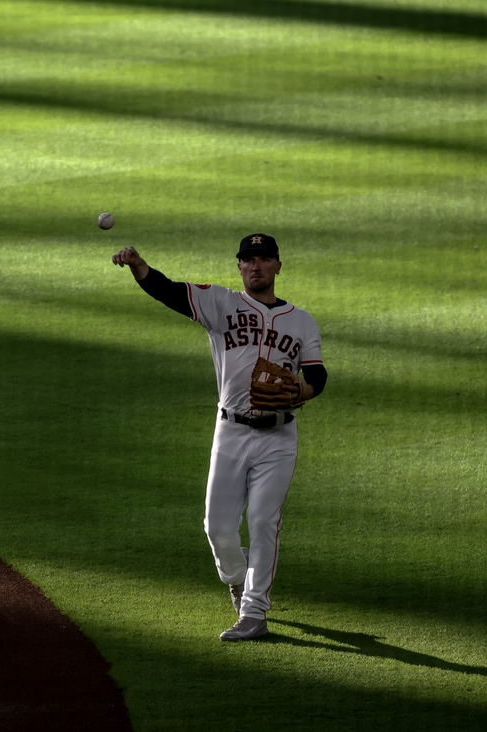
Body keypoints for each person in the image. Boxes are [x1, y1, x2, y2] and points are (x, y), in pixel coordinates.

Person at [111, 234, 327, 641]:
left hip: (278, 437)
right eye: (249, 259)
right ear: (239, 266)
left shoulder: (302, 321)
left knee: (263, 521)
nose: (256, 265)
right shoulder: (221, 304)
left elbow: (316, 373)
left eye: (264, 259)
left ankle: (254, 613)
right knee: (218, 528)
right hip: (230, 431)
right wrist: (140, 265)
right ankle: (237, 575)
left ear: (278, 266)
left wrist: (307, 390)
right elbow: (170, 292)